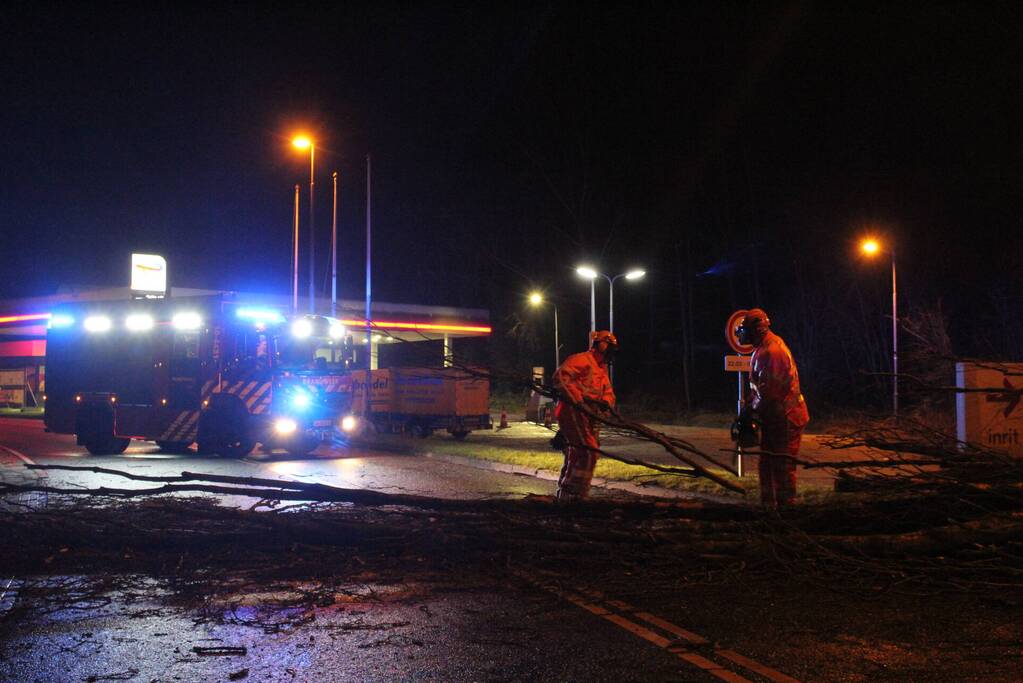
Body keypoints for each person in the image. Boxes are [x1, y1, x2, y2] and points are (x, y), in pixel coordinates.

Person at [736, 309, 809, 507]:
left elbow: (772, 393)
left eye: (745, 330)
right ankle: (767, 509)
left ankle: (786, 513)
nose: (742, 334)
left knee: (782, 468)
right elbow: (762, 388)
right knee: (767, 463)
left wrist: (751, 411)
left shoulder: (773, 351)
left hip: (786, 417)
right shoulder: (763, 348)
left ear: (757, 329)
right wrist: (749, 406)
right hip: (775, 418)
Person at [552, 330, 618, 502]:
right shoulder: (581, 360)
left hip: (589, 417)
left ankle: (567, 493)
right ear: (600, 344)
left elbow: (609, 394)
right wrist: (578, 401)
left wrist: (605, 403)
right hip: (573, 411)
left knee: (577, 452)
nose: (611, 352)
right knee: (588, 452)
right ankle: (576, 493)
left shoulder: (601, 370)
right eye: (609, 347)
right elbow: (560, 376)